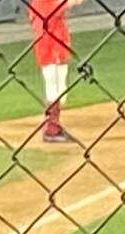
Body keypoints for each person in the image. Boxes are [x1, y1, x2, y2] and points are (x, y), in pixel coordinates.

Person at [28, 0, 83, 142]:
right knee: (54, 88)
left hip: (54, 45)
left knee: (58, 88)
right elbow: (69, 3)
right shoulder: (43, 2)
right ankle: (51, 129)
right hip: (50, 46)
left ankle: (54, 125)